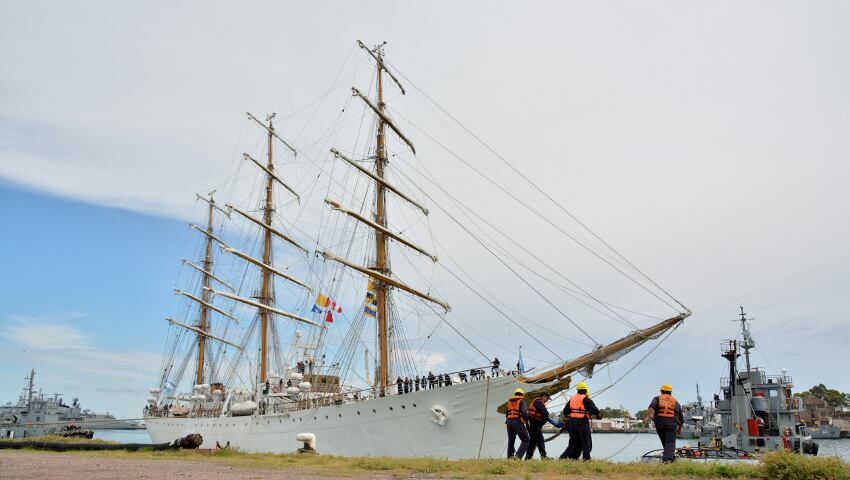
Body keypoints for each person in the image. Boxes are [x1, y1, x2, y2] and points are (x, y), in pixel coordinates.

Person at [560, 381, 601, 461]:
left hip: (572, 423)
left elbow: (565, 411)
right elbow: (595, 410)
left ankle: (567, 458)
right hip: (582, 423)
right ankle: (586, 459)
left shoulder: (572, 399)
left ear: (577, 390)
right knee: (586, 442)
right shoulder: (586, 399)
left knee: (573, 443)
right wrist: (598, 415)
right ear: (585, 390)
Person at [645, 383, 684, 463]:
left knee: (666, 443)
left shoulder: (657, 398)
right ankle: (667, 461)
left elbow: (652, 407)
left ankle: (670, 458)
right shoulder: (676, 402)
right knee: (670, 442)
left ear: (662, 391)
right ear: (670, 392)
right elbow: (681, 419)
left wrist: (647, 417)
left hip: (660, 422)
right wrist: (679, 429)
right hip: (671, 423)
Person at [525, 392, 562, 459]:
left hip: (536, 423)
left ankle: (543, 456)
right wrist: (543, 422)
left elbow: (544, 414)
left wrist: (541, 423)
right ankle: (528, 457)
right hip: (534, 423)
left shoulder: (539, 402)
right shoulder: (538, 402)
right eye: (547, 398)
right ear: (544, 396)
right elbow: (545, 413)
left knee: (540, 440)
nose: (547, 400)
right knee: (533, 440)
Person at [505, 388, 530, 459]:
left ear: (515, 394)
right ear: (522, 394)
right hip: (517, 421)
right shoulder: (522, 401)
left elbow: (507, 413)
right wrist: (526, 420)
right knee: (526, 439)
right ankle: (518, 457)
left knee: (511, 440)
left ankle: (509, 457)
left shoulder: (509, 402)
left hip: (509, 422)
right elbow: (524, 412)